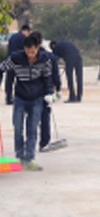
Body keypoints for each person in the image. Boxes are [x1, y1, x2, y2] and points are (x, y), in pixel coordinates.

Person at [0, 34, 53, 171]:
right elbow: (2, 69)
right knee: (18, 128)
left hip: (36, 98)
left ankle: (29, 158)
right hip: (20, 97)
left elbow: (47, 77)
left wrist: (48, 93)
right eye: (27, 51)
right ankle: (19, 156)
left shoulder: (44, 59)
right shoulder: (16, 58)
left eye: (33, 52)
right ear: (24, 49)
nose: (30, 55)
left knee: (32, 129)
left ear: (38, 48)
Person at [29, 32, 62, 153]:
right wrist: (57, 89)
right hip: (45, 91)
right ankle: (44, 143)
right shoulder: (49, 56)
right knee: (44, 116)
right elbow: (55, 74)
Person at [5, 24, 31, 104]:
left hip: (10, 61)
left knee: (9, 80)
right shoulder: (24, 38)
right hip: (20, 62)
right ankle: (21, 98)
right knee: (21, 81)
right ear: (26, 30)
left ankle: (8, 98)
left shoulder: (12, 37)